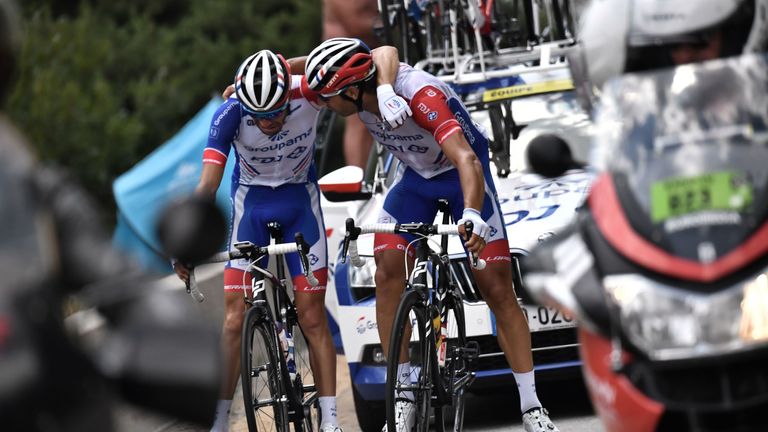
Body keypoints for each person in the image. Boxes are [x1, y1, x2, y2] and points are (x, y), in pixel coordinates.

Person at [304, 37, 559, 432]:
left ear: (352, 89)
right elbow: (347, 61)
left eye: (328, 96)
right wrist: (263, 71)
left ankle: (531, 406)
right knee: (387, 271)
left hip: (463, 178)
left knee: (497, 289)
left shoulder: (419, 95)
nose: (322, 103)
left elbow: (466, 158)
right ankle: (404, 392)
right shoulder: (360, 83)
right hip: (416, 182)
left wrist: (473, 215)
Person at [180, 47, 408, 432]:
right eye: (259, 116)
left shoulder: (308, 92)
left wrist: (293, 67)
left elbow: (353, 58)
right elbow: (208, 182)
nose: (268, 122)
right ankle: (218, 422)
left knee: (312, 317)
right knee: (234, 318)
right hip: (251, 209)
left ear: (289, 92)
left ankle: (331, 421)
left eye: (276, 112)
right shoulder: (230, 112)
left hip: (300, 206)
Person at [322, 0, 381, 168]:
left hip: (369, 54)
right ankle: (359, 183)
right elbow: (356, 23)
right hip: (346, 62)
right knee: (360, 120)